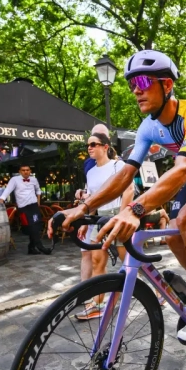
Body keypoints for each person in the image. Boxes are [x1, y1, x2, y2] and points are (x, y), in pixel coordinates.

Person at [51, 50, 186, 343]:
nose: (136, 90)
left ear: (167, 85)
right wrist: (83, 207)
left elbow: (182, 169)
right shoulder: (148, 128)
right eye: (131, 84)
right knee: (172, 235)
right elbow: (125, 175)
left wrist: (135, 208)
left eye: (142, 81)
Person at [75, 132, 135, 320]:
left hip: (118, 215)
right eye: (88, 145)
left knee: (130, 262)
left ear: (105, 147)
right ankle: (99, 304)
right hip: (99, 219)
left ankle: (157, 292)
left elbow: (129, 190)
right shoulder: (91, 172)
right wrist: (86, 221)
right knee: (96, 260)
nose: (89, 148)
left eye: (93, 144)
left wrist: (123, 215)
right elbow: (93, 200)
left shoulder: (118, 166)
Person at [0, 164, 51, 255]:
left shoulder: (34, 180)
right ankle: (40, 247)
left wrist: (38, 201)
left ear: (30, 171)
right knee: (31, 226)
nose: (26, 171)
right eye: (23, 170)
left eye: (27, 170)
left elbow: (38, 190)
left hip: (34, 206)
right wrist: (1, 199)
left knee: (36, 226)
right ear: (19, 171)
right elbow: (8, 190)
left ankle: (31, 248)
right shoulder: (14, 180)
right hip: (23, 207)